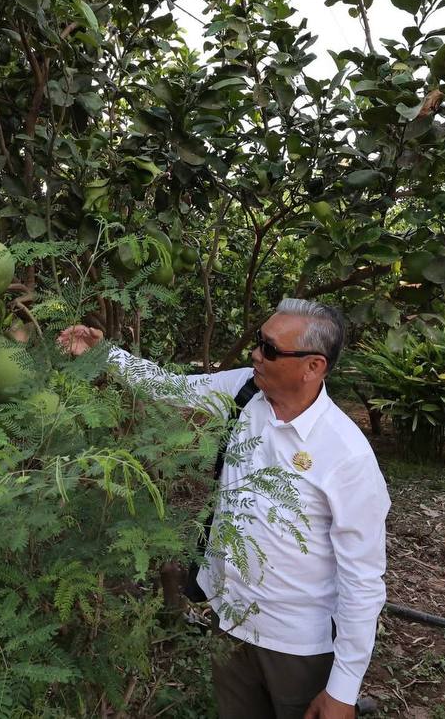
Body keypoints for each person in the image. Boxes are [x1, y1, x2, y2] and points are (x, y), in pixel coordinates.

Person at [58, 299, 389, 719]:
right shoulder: (245, 392)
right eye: (257, 342)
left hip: (295, 650)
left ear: (313, 367)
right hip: (229, 625)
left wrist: (342, 690)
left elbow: (363, 581)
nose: (255, 354)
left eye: (269, 349)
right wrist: (105, 353)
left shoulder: (347, 456)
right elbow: (169, 385)